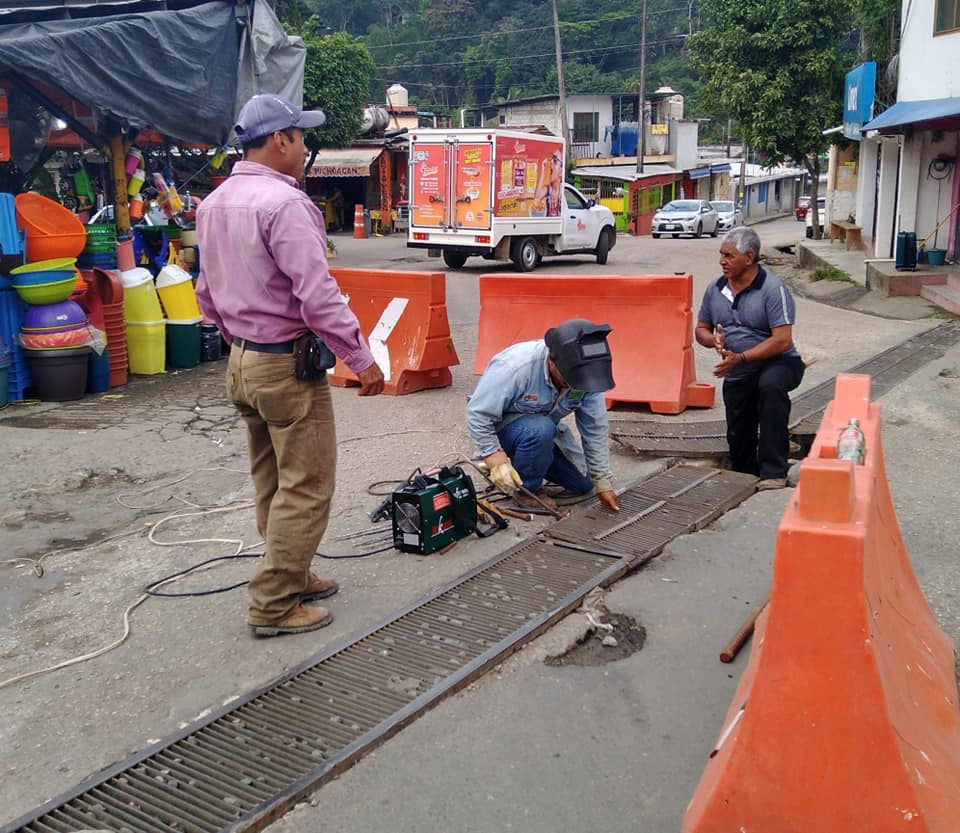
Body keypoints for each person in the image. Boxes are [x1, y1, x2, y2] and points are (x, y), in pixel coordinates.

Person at [195, 93, 385, 638]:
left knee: (272, 480)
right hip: (284, 368)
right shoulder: (285, 205)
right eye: (300, 138)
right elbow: (317, 294)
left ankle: (293, 574)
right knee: (307, 485)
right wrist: (360, 358)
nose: (305, 148)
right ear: (280, 139)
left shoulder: (214, 204)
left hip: (243, 364)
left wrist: (240, 341)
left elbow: (206, 293)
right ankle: (274, 604)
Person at [466, 319, 620, 512]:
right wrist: (494, 457)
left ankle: (528, 463)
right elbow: (478, 414)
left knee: (585, 484)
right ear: (552, 361)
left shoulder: (587, 375)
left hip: (542, 432)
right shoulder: (514, 367)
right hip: (506, 432)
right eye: (570, 380)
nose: (575, 386)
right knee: (540, 429)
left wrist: (602, 481)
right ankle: (526, 490)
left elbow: (594, 428)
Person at [695, 226, 805, 490]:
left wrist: (742, 358)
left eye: (729, 256)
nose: (722, 261)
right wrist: (714, 340)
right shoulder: (716, 288)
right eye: (721, 255)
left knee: (770, 389)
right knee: (738, 423)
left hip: (779, 362)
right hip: (738, 367)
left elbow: (782, 340)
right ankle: (744, 471)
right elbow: (701, 330)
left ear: (749, 257)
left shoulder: (772, 289)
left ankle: (773, 472)